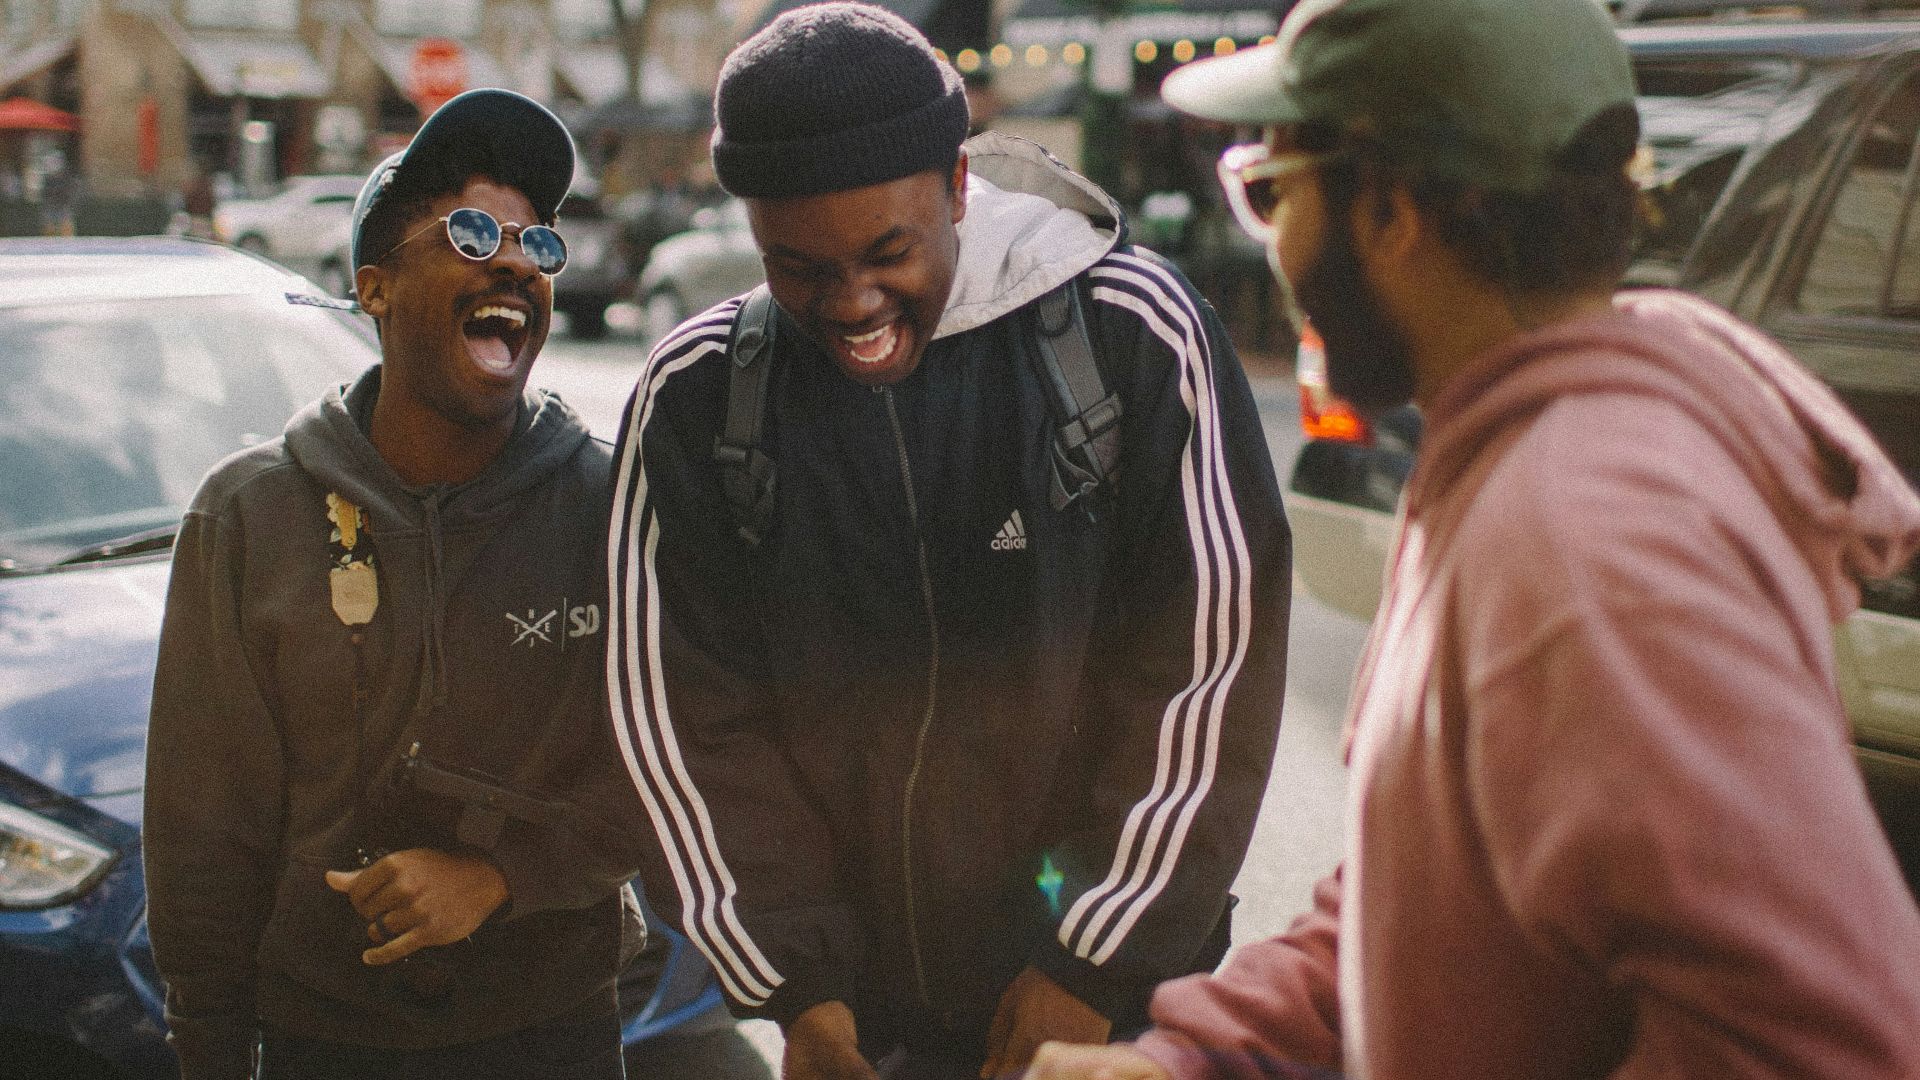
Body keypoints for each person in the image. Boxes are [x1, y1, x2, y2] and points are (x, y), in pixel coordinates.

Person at [1023, 0, 1920, 1078]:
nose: (1276, 251)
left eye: (1274, 194)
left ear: (1393, 209)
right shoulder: (1521, 460)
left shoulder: (1584, 547)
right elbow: (1432, 887)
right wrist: (1200, 1059)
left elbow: (1815, 1042)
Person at [605, 5, 1292, 1079]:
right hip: (859, 1027)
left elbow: (1209, 670)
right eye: (801, 269)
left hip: (1121, 1014)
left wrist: (1092, 959)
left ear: (960, 190)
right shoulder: (694, 400)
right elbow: (684, 721)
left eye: (889, 253)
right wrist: (800, 988)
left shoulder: (1131, 332)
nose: (854, 304)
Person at [144, 89, 642, 1080]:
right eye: (468, 231)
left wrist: (503, 876)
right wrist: (208, 1047)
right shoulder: (249, 517)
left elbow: (679, 767)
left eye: (537, 244)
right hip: (325, 1042)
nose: (512, 259)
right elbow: (204, 833)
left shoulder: (612, 500)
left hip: (555, 1030)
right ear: (375, 287)